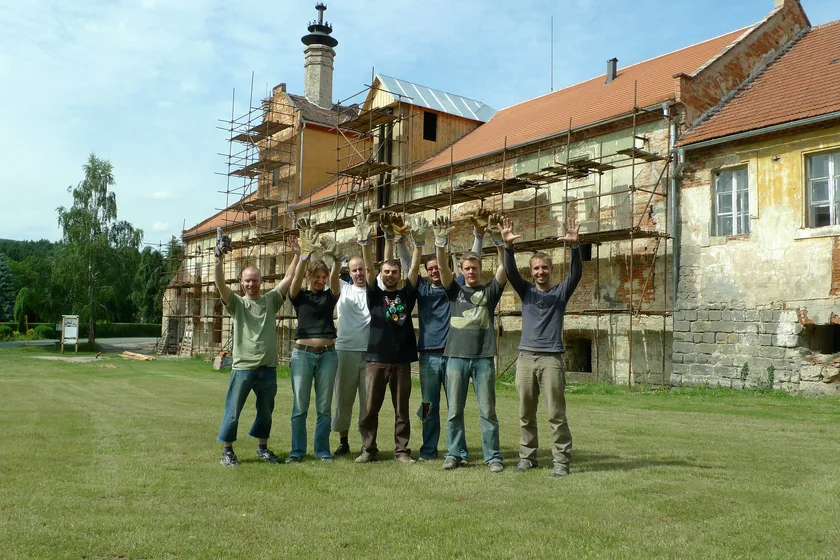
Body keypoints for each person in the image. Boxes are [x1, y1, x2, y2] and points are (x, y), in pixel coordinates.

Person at [395, 210, 488, 461]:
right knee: (428, 405)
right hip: (428, 356)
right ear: (426, 271)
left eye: (438, 267)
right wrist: (400, 240)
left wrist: (479, 235)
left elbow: (473, 261)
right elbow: (408, 266)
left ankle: (459, 451)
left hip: (454, 355)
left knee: (455, 407)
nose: (435, 271)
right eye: (431, 268)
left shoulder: (454, 287)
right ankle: (428, 449)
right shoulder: (422, 287)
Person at [501, 216, 582, 478]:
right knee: (526, 413)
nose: (540, 272)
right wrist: (508, 247)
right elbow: (511, 273)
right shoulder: (526, 291)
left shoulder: (560, 293)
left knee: (556, 414)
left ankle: (561, 462)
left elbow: (576, 274)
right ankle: (527, 458)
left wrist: (575, 247)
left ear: (551, 269)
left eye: (544, 268)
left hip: (551, 360)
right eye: (536, 268)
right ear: (531, 271)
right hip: (525, 358)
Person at [215, 234, 300, 467]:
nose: (251, 284)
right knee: (233, 410)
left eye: (254, 280)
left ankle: (263, 448)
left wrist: (297, 255)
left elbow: (288, 277)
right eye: (247, 281)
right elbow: (221, 286)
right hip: (243, 367)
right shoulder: (237, 303)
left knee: (266, 411)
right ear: (241, 282)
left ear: (261, 281)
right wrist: (218, 261)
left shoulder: (271, 300)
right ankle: (227, 451)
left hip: (268, 367)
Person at [434, 214, 508, 472]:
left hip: (483, 358)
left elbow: (504, 268)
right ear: (462, 271)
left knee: (488, 411)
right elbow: (443, 270)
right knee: (455, 410)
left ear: (480, 269)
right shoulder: (455, 291)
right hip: (455, 357)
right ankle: (454, 454)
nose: (472, 272)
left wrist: (499, 242)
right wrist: (440, 243)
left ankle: (493, 456)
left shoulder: (490, 291)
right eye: (467, 268)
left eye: (475, 268)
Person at [330, 216, 403, 458]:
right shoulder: (343, 288)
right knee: (343, 398)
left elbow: (385, 264)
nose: (359, 273)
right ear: (349, 272)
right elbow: (330, 279)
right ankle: (343, 442)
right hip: (346, 350)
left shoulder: (376, 288)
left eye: (362, 269)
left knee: (368, 402)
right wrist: (333, 259)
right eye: (354, 270)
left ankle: (366, 444)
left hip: (372, 353)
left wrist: (388, 238)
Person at [354, 209, 419, 464]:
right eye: (386, 272)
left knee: (402, 409)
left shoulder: (406, 295)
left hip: (402, 361)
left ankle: (401, 451)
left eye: (394, 272)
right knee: (371, 408)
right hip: (376, 360)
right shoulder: (375, 295)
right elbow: (369, 269)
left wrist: (418, 245)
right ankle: (368, 449)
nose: (390, 275)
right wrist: (365, 243)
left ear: (399, 276)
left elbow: (414, 270)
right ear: (381, 275)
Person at [285, 218, 341, 463]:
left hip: (328, 355)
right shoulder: (300, 296)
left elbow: (336, 281)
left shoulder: (330, 296)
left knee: (324, 408)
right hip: (303, 355)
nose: (321, 280)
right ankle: (297, 451)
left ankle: (322, 450)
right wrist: (304, 256)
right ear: (309, 276)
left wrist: (336, 261)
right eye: (317, 276)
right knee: (300, 407)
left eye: (324, 277)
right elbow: (295, 281)